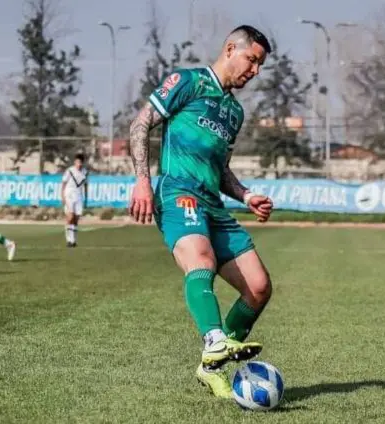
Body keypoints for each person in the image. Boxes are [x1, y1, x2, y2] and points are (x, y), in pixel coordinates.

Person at [127, 25, 275, 398]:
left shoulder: (233, 112)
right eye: (252, 60)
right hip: (177, 191)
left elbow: (221, 169)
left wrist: (244, 195)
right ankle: (214, 341)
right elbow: (140, 124)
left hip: (213, 202)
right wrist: (143, 181)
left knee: (258, 288)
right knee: (202, 261)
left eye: (260, 65)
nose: (254, 71)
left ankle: (211, 366)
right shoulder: (188, 81)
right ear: (230, 49)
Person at [61, 153, 88, 247]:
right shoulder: (70, 171)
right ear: (75, 162)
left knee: (76, 219)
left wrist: (86, 198)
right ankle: (69, 240)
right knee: (70, 217)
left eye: (81, 162)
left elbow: (85, 185)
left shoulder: (85, 172)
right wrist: (62, 196)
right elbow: (63, 184)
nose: (79, 164)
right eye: (77, 162)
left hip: (79, 196)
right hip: (69, 195)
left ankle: (73, 241)